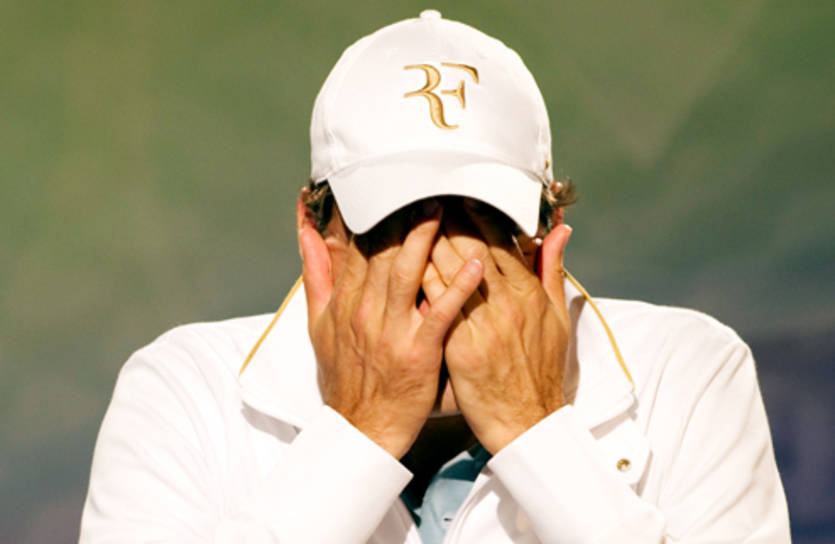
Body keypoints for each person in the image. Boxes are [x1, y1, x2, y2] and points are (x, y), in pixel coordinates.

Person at [80, 10, 790, 543]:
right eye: (394, 223)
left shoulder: (688, 371)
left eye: (481, 221)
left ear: (544, 238)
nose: (438, 279)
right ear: (317, 236)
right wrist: (358, 434)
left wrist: (536, 432)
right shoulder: (183, 389)